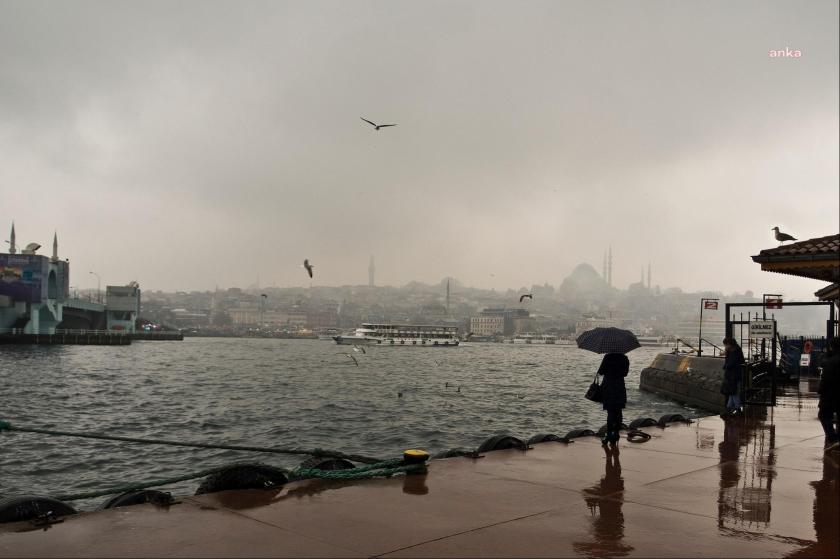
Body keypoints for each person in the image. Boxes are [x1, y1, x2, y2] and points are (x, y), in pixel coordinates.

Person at [598, 352, 629, 446]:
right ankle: (616, 434)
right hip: (619, 387)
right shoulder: (624, 358)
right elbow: (625, 373)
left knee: (610, 412)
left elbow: (601, 372)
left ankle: (609, 436)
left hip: (609, 387)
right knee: (618, 411)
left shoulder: (608, 357)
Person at [817, 337, 840, 451]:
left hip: (830, 393)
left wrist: (820, 390)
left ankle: (833, 439)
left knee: (823, 415)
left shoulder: (829, 361)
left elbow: (826, 379)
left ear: (831, 346)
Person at [721, 337, 745, 416]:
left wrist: (725, 366)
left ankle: (738, 408)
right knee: (732, 392)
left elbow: (731, 363)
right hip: (734, 375)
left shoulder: (734, 352)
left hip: (733, 375)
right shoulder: (735, 350)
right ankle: (728, 408)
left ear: (729, 344)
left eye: (725, 345)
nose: (725, 347)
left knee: (734, 393)